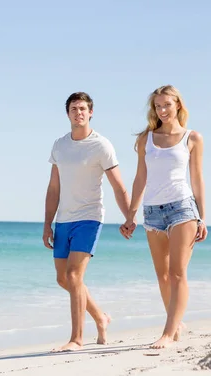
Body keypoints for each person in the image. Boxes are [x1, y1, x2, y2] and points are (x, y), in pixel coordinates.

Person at [43, 91, 134, 352]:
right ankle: (100, 317)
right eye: (74, 109)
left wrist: (129, 216)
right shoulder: (60, 145)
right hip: (63, 219)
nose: (78, 113)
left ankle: (76, 338)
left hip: (89, 218)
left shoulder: (101, 145)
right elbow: (53, 188)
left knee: (74, 276)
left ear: (90, 112)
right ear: (68, 113)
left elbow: (118, 186)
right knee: (64, 279)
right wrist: (47, 223)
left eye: (83, 108)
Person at [121, 84, 208, 349]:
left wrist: (202, 217)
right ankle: (177, 323)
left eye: (167, 105)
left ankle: (168, 333)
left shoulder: (192, 138)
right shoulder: (145, 139)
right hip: (152, 211)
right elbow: (140, 178)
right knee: (162, 275)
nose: (162, 110)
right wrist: (131, 215)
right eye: (158, 106)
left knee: (177, 272)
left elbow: (196, 179)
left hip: (182, 208)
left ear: (178, 105)